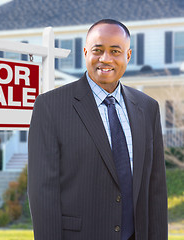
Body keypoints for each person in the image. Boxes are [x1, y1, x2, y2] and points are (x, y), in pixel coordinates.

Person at [28, 19, 168, 240]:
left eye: (115, 51)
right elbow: (43, 193)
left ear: (128, 56)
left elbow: (156, 189)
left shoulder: (148, 108)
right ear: (85, 52)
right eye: (98, 50)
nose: (106, 59)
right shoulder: (51, 106)